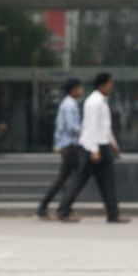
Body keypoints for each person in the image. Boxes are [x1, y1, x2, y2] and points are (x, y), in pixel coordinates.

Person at [59, 72, 128, 225]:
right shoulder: (93, 102)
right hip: (92, 147)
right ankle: (63, 210)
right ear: (102, 85)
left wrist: (112, 143)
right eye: (109, 83)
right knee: (80, 180)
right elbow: (90, 127)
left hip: (101, 145)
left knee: (107, 181)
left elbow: (104, 126)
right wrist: (94, 149)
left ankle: (113, 214)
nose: (111, 86)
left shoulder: (102, 101)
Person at [36, 77, 86, 220]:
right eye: (80, 88)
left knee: (65, 179)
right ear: (73, 89)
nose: (81, 91)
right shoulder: (70, 105)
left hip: (68, 145)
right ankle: (63, 210)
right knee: (73, 178)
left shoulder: (68, 103)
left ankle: (52, 208)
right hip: (70, 146)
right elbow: (71, 127)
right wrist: (86, 130)